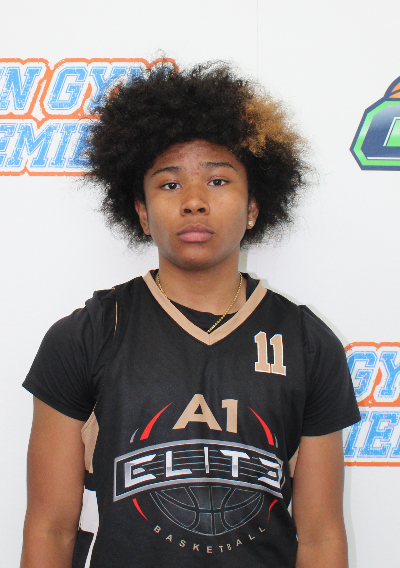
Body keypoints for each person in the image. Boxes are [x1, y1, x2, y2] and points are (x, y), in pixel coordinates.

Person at [20, 62, 360, 568]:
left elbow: (321, 537)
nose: (195, 202)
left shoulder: (307, 342)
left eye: (218, 180)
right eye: (170, 185)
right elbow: (50, 528)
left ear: (253, 207)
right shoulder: (87, 335)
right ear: (141, 211)